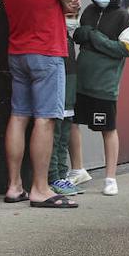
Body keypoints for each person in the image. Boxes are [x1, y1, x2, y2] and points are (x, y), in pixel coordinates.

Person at [1, 0, 82, 209]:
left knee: (19, 116)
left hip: (17, 51)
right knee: (46, 118)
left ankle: (13, 186)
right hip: (46, 52)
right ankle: (40, 188)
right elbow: (72, 0)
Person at [70, 0, 129, 196]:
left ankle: (110, 178)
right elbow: (78, 34)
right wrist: (84, 33)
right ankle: (78, 169)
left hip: (104, 86)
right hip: (82, 82)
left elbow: (127, 49)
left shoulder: (122, 18)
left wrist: (96, 38)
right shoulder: (89, 11)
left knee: (107, 129)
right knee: (72, 123)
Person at [47, 14, 83, 196]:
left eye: (76, 16)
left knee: (63, 138)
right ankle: (54, 177)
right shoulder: (55, 38)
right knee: (55, 136)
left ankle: (62, 174)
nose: (73, 20)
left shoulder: (68, 39)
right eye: (69, 16)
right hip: (59, 96)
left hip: (69, 97)